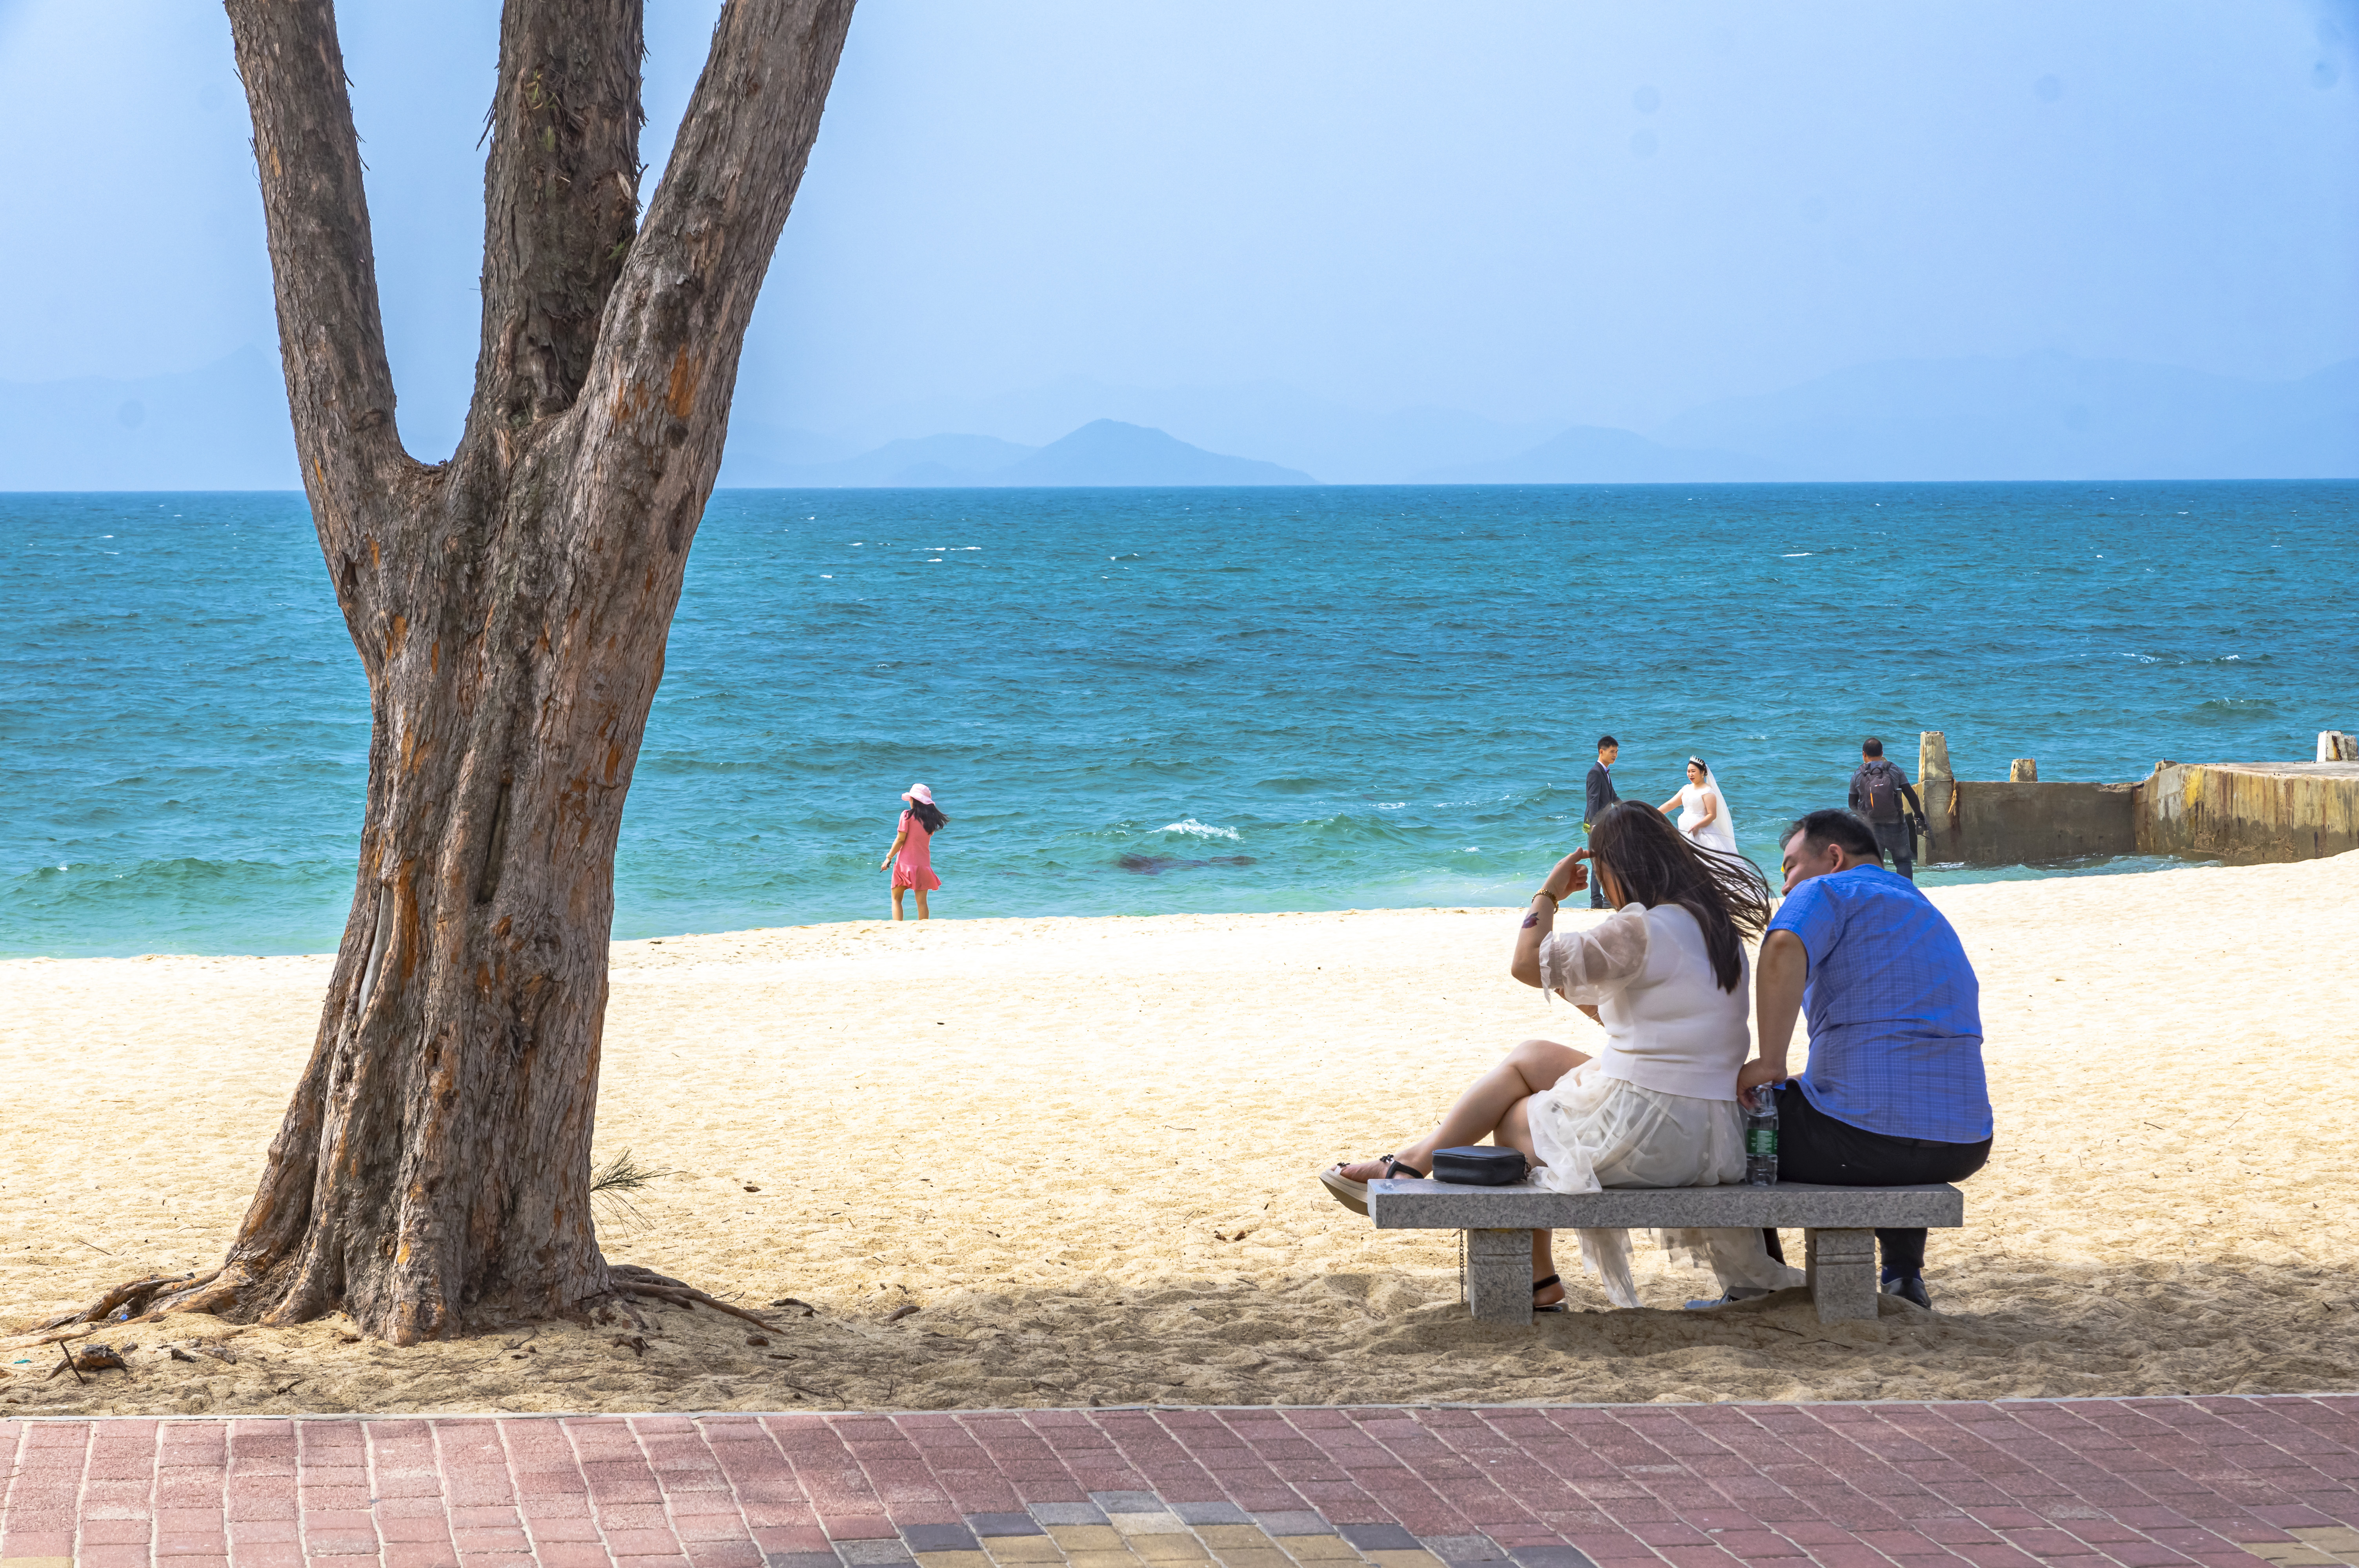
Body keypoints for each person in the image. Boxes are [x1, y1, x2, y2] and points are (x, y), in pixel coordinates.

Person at [1318, 803, 1804, 1310]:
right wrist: (1573, 984)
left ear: (1625, 865)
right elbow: (1645, 1023)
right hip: (1713, 1131)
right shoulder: (1711, 926)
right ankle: (1416, 1162)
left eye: (1602, 869)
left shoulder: (1640, 928)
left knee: (1513, 1122)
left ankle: (1534, 1278)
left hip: (1657, 1129)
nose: (1602, 883)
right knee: (1531, 1056)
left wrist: (1548, 893)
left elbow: (1525, 962)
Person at [1734, 808, 1994, 1309]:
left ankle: (1756, 1279)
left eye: (1789, 867)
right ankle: (1902, 1274)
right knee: (1883, 1102)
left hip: (1861, 1138)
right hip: (1963, 1142)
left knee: (1738, 1114)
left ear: (1833, 858)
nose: (1786, 886)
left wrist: (1769, 1061)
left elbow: (1783, 945)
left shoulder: (1827, 890)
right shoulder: (1921, 906)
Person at [1847, 737, 1927, 881]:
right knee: (1903, 861)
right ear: (1882, 752)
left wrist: (1863, 819)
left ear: (1864, 754)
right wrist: (1919, 815)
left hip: (1871, 828)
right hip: (1896, 826)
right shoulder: (1895, 770)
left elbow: (1852, 804)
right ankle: (1906, 894)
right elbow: (1911, 796)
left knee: (1874, 866)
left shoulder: (1858, 775)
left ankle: (1877, 894)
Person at [881, 783, 947, 920]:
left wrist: (889, 857)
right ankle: (923, 929)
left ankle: (898, 927)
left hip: (904, 865)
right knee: (922, 903)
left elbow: (900, 840)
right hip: (923, 866)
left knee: (897, 899)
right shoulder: (930, 821)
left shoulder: (906, 816)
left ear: (914, 800)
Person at [1658, 756, 1739, 856]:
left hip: (1702, 832)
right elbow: (1671, 804)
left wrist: (1698, 826)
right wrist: (1653, 813)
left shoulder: (1707, 791)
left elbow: (1712, 815)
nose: (1690, 775)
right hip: (1684, 829)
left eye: (1693, 771)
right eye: (1688, 771)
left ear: (1702, 773)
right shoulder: (1686, 789)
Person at [1583, 735, 1621, 909]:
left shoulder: (1605, 772)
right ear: (1602, 752)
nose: (1615, 755)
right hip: (1596, 824)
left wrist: (1632, 809)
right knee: (1598, 862)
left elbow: (1613, 797)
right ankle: (1597, 902)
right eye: (1612, 752)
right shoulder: (1595, 773)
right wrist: (1594, 825)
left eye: (1617, 752)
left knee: (1609, 860)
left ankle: (1607, 900)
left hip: (1605, 822)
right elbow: (1593, 801)